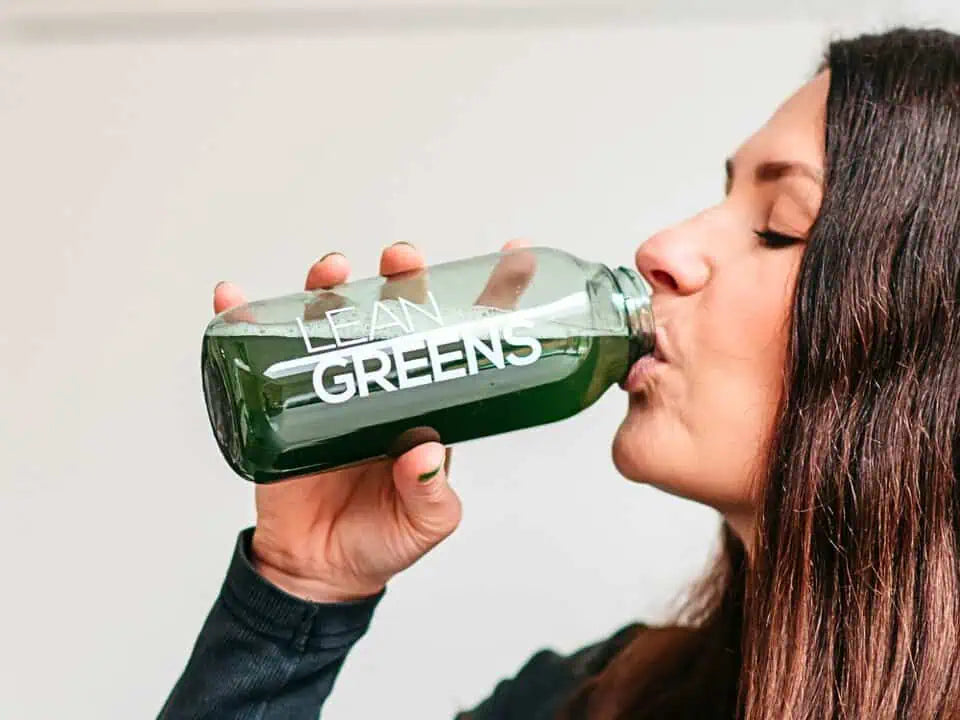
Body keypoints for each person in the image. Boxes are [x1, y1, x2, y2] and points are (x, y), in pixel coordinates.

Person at [160, 26, 960, 719]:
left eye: (780, 228)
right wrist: (297, 593)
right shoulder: (589, 700)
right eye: (720, 198)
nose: (664, 249)